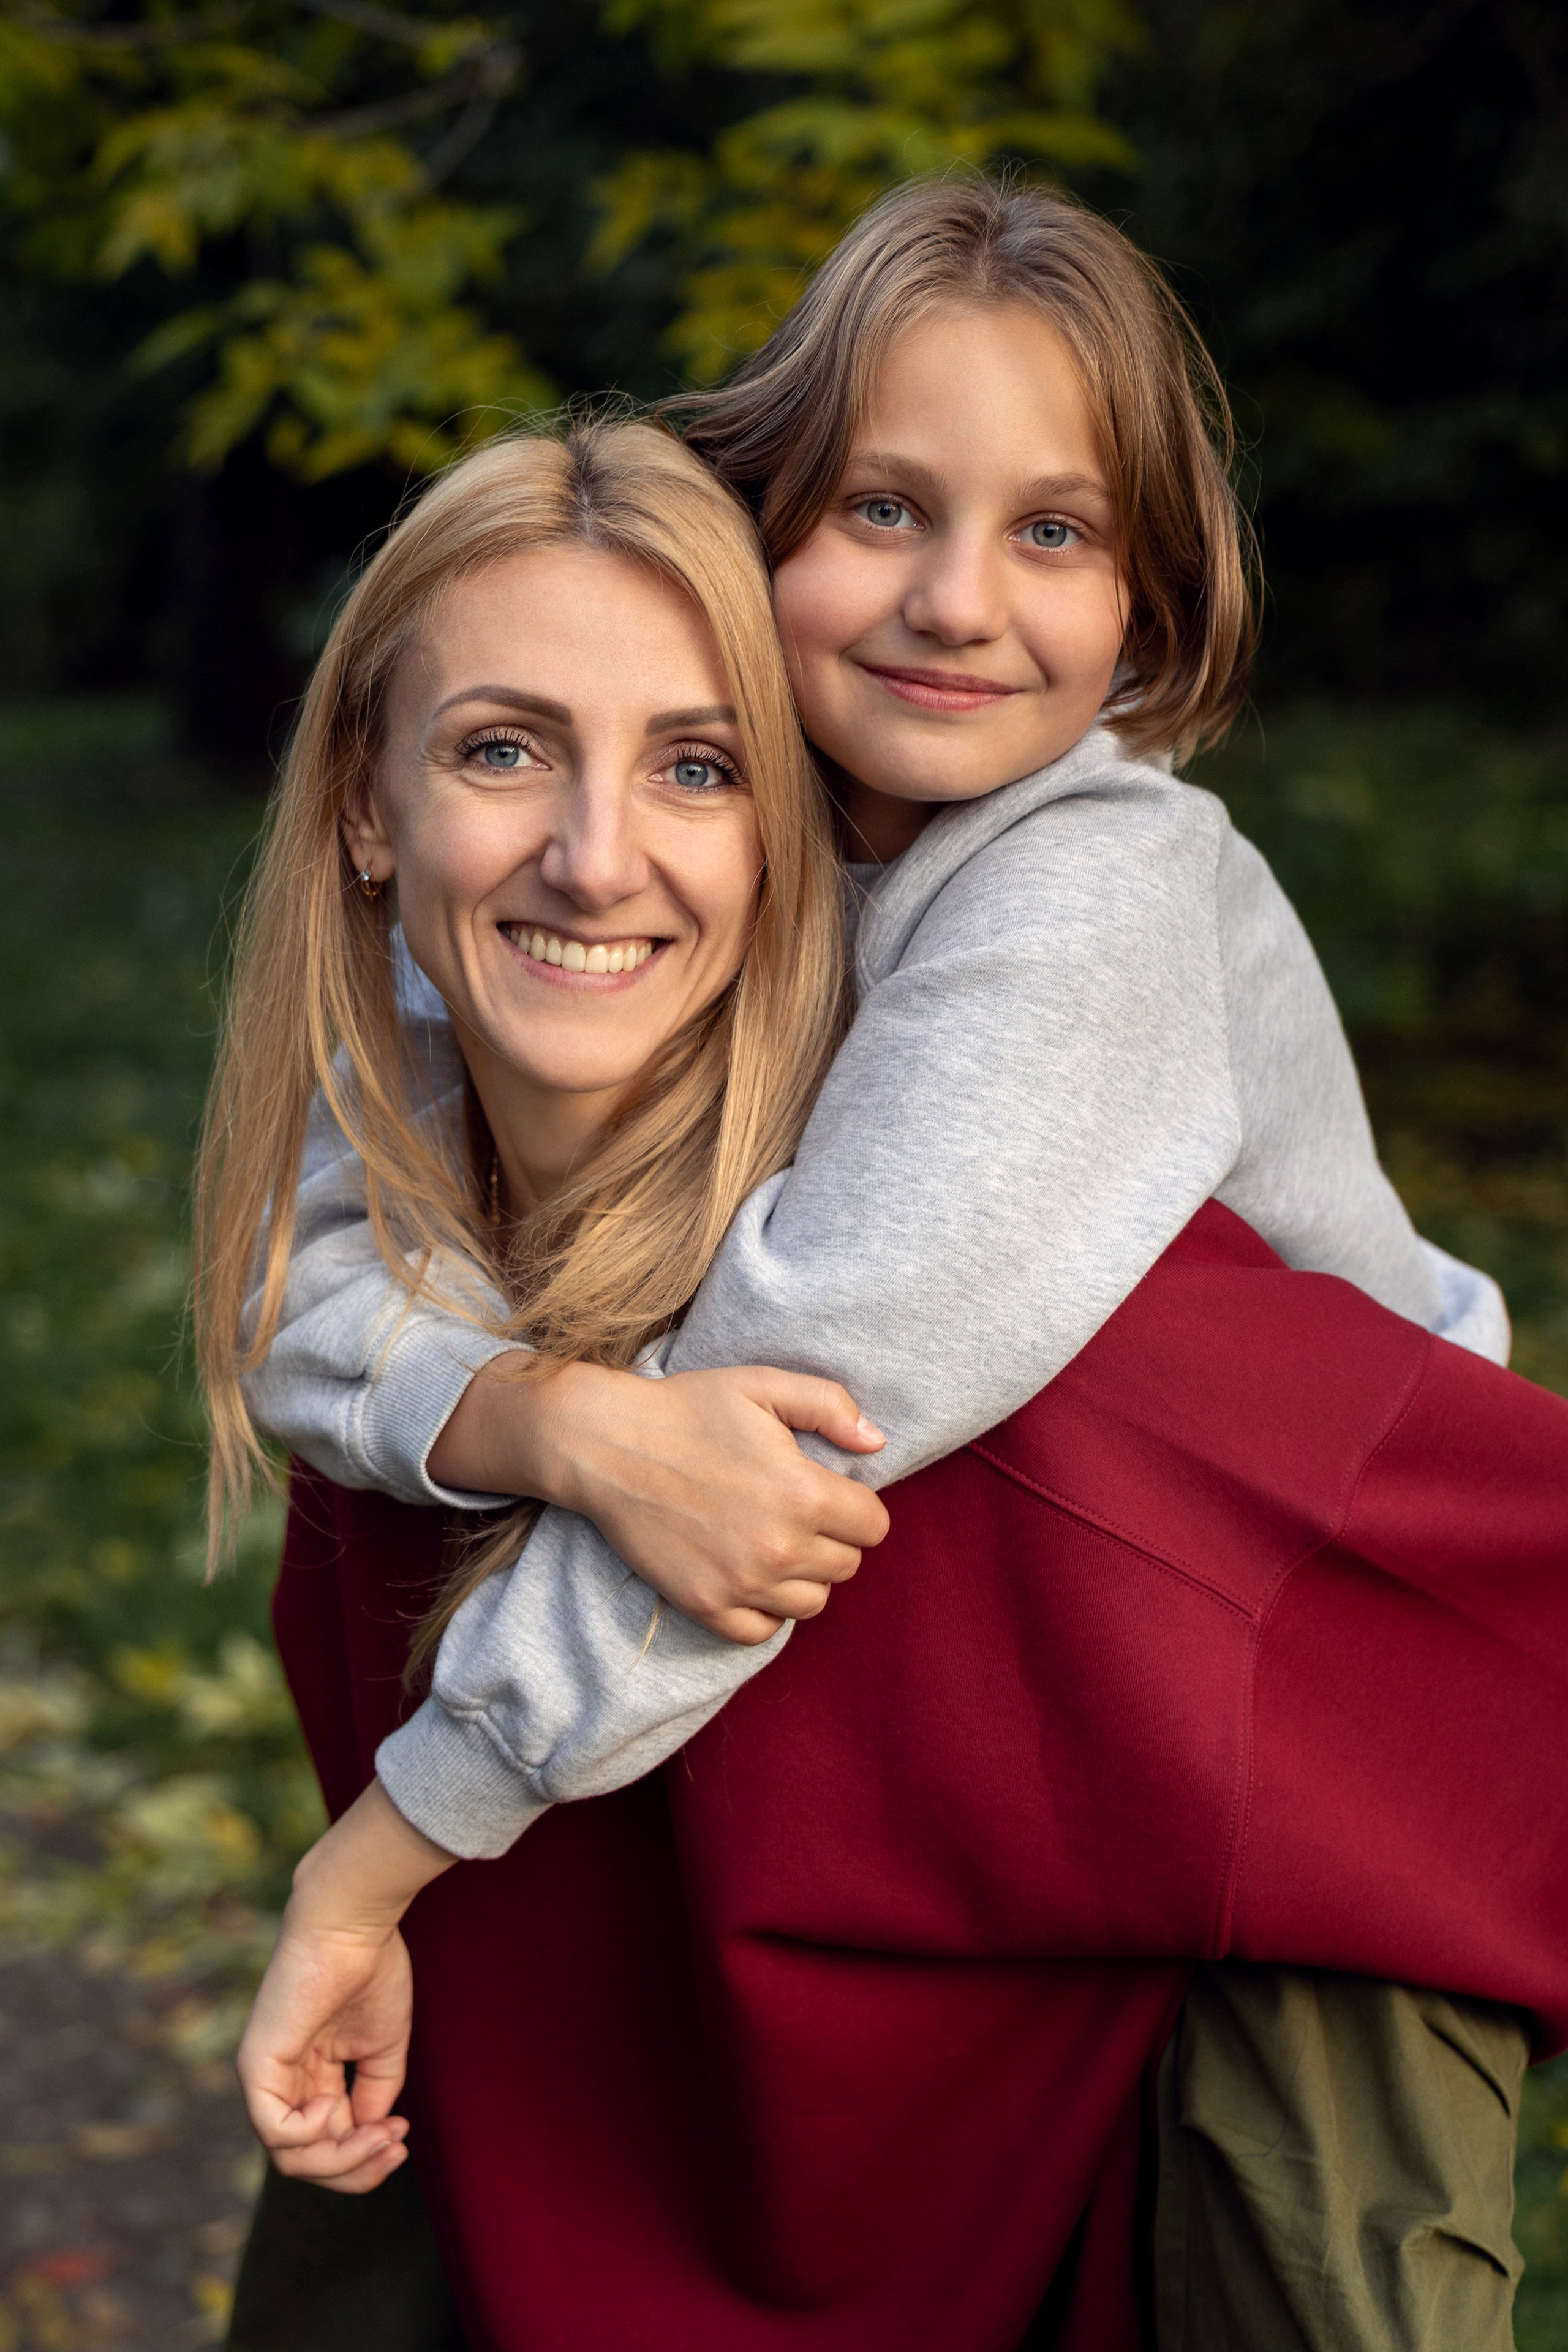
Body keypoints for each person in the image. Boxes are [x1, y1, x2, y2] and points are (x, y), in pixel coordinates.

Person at [212, 181, 1539, 2343]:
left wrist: (377, 1856)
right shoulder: (704, 824)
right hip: (1044, 1681)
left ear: (1152, 608)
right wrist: (544, 1411)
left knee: (1307, 2282)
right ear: (766, 527)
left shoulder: (1092, 894)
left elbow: (788, 1415)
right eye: (884, 506)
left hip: (1318, 1694)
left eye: (1057, 533)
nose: (953, 605)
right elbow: (314, 1240)